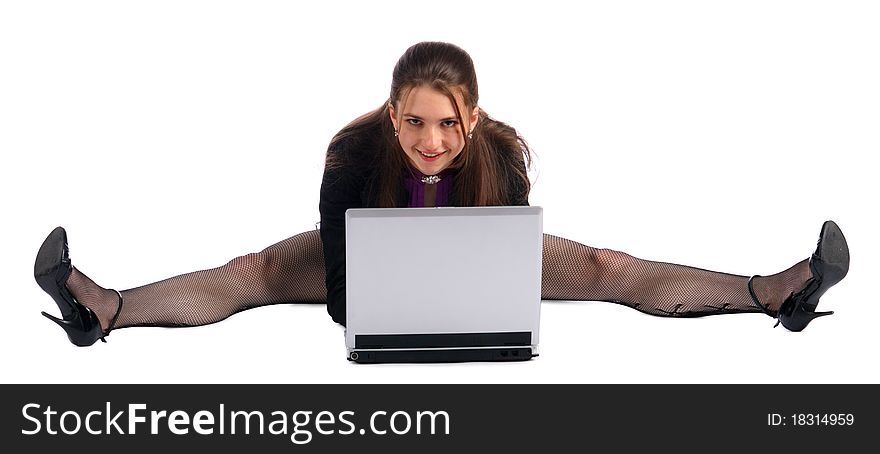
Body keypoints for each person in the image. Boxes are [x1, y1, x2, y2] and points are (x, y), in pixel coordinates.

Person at [34, 41, 850, 347]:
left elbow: (502, 262)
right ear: (393, 117)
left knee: (605, 265)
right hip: (367, 267)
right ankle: (102, 307)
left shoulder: (501, 155)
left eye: (448, 125)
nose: (432, 142)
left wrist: (477, 309)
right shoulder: (352, 156)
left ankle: (775, 291)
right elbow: (345, 292)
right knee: (251, 271)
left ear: (472, 118)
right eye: (416, 123)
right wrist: (385, 313)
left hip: (467, 273)